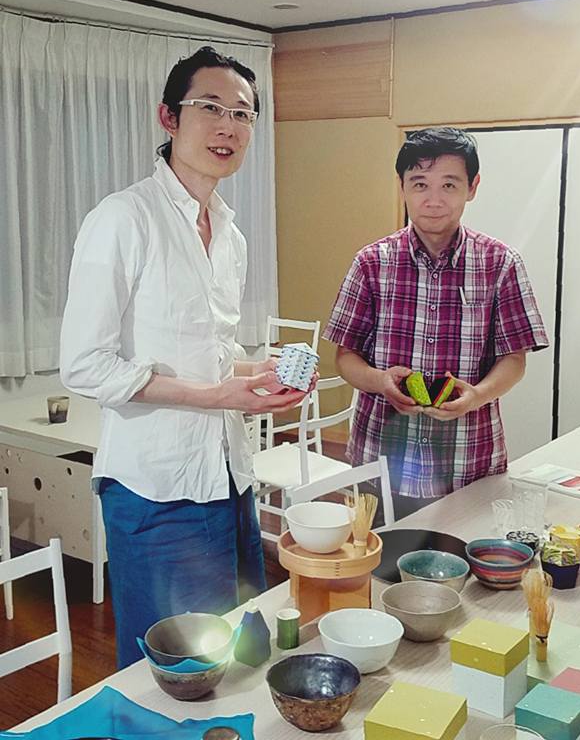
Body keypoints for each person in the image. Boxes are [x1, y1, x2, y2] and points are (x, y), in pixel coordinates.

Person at [60, 46, 306, 668]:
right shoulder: (124, 218)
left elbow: (211, 351)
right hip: (156, 486)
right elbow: (85, 364)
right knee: (172, 669)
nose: (229, 126)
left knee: (238, 654)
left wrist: (258, 374)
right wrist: (217, 395)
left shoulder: (230, 235)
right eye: (211, 108)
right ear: (168, 117)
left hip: (229, 476)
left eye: (243, 114)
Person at [323, 127, 549, 520]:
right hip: (381, 461)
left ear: (472, 187)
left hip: (469, 461)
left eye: (449, 184)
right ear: (402, 187)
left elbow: (514, 359)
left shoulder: (500, 263)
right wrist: (380, 381)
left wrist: (476, 395)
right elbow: (346, 356)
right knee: (382, 558)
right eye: (420, 184)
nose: (433, 200)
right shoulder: (372, 263)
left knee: (465, 559)